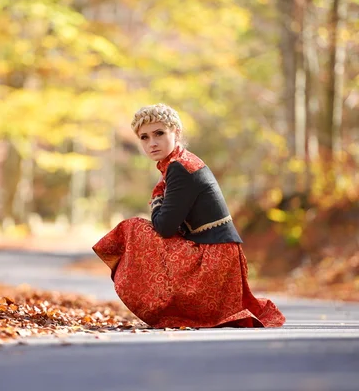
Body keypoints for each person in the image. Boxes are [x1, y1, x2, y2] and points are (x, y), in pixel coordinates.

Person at [92, 104, 286, 328]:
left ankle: (161, 306)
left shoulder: (180, 167)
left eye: (159, 133)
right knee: (138, 229)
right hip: (216, 254)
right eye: (144, 137)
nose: (152, 143)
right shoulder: (178, 163)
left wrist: (156, 199)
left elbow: (164, 227)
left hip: (214, 259)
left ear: (176, 132)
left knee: (133, 228)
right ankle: (166, 304)